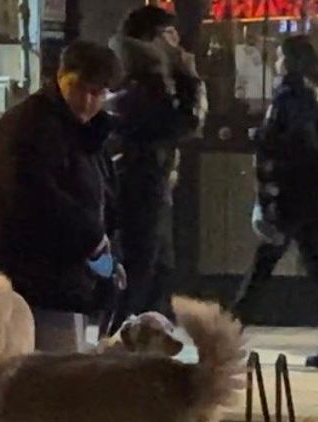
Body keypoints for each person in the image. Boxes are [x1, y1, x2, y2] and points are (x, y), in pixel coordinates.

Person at [0, 40, 124, 354]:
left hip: (61, 283)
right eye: (80, 89)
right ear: (61, 77)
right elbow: (34, 201)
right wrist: (93, 240)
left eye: (97, 93)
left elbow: (101, 199)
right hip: (23, 287)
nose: (88, 101)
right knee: (37, 374)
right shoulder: (28, 126)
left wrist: (106, 253)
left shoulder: (86, 134)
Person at [233, 35, 318, 369]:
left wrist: (263, 140)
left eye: (281, 56)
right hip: (310, 196)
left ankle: (227, 334)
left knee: (264, 266)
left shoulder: (294, 95)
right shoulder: (311, 93)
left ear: (292, 61)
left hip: (293, 196)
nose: (277, 63)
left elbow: (296, 144)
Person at [106, 5, 206, 334]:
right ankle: (118, 344)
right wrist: (188, 76)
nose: (177, 41)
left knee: (156, 271)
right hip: (140, 183)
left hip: (146, 180)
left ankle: (140, 342)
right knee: (141, 272)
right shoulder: (144, 80)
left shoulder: (142, 75)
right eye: (169, 34)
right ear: (153, 38)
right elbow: (184, 123)